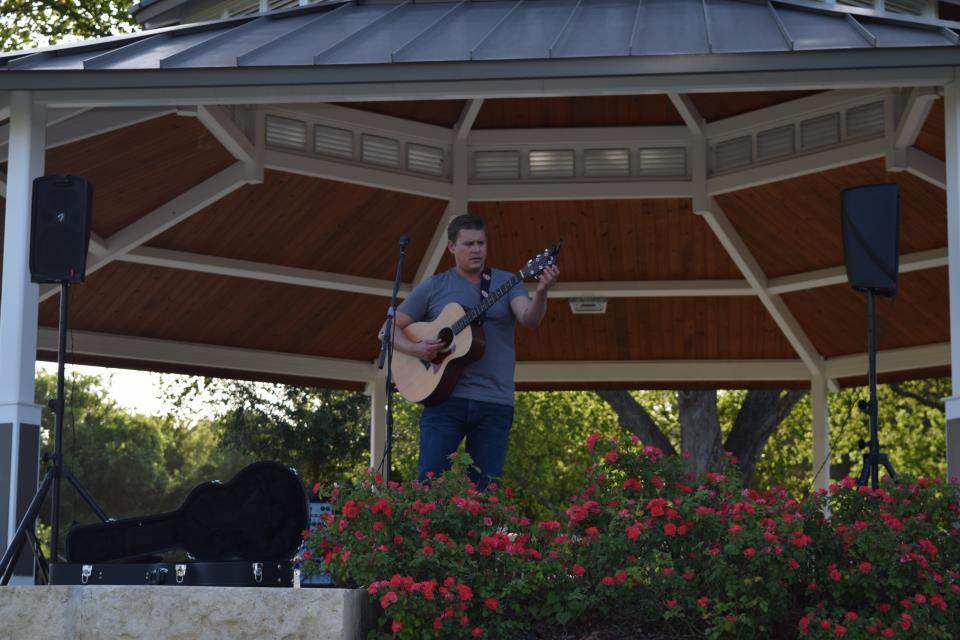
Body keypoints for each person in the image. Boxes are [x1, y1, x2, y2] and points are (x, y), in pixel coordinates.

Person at [388, 214, 559, 490]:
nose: (477, 249)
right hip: (443, 400)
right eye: (469, 244)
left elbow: (530, 319)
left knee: (487, 490)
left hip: (495, 401)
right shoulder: (435, 286)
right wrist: (416, 348)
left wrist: (540, 292)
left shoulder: (508, 281)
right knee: (430, 485)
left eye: (481, 243)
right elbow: (388, 329)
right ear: (452, 247)